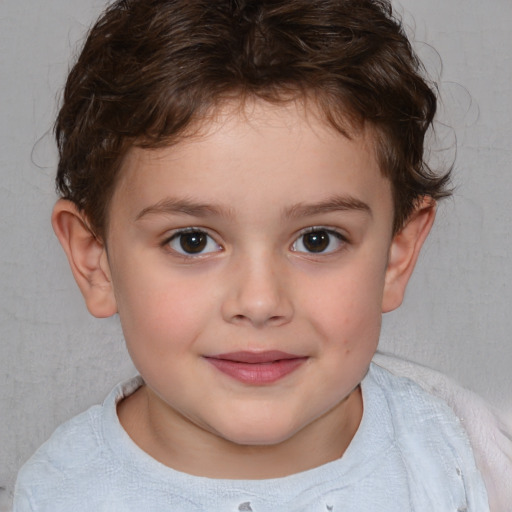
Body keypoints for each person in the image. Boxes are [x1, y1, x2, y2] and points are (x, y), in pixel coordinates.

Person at [12, 0, 495, 510]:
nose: (260, 302)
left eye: (317, 240)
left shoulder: (456, 458)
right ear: (96, 261)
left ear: (397, 255)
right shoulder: (60, 493)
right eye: (192, 241)